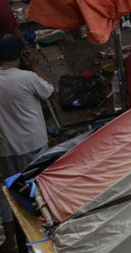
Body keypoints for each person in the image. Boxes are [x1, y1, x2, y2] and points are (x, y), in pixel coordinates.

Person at [0, 34, 52, 252]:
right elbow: (50, 90)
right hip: (33, 146)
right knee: (37, 195)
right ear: (21, 54)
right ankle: (39, 243)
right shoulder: (27, 78)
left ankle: (12, 243)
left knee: (7, 195)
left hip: (5, 149)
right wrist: (34, 66)